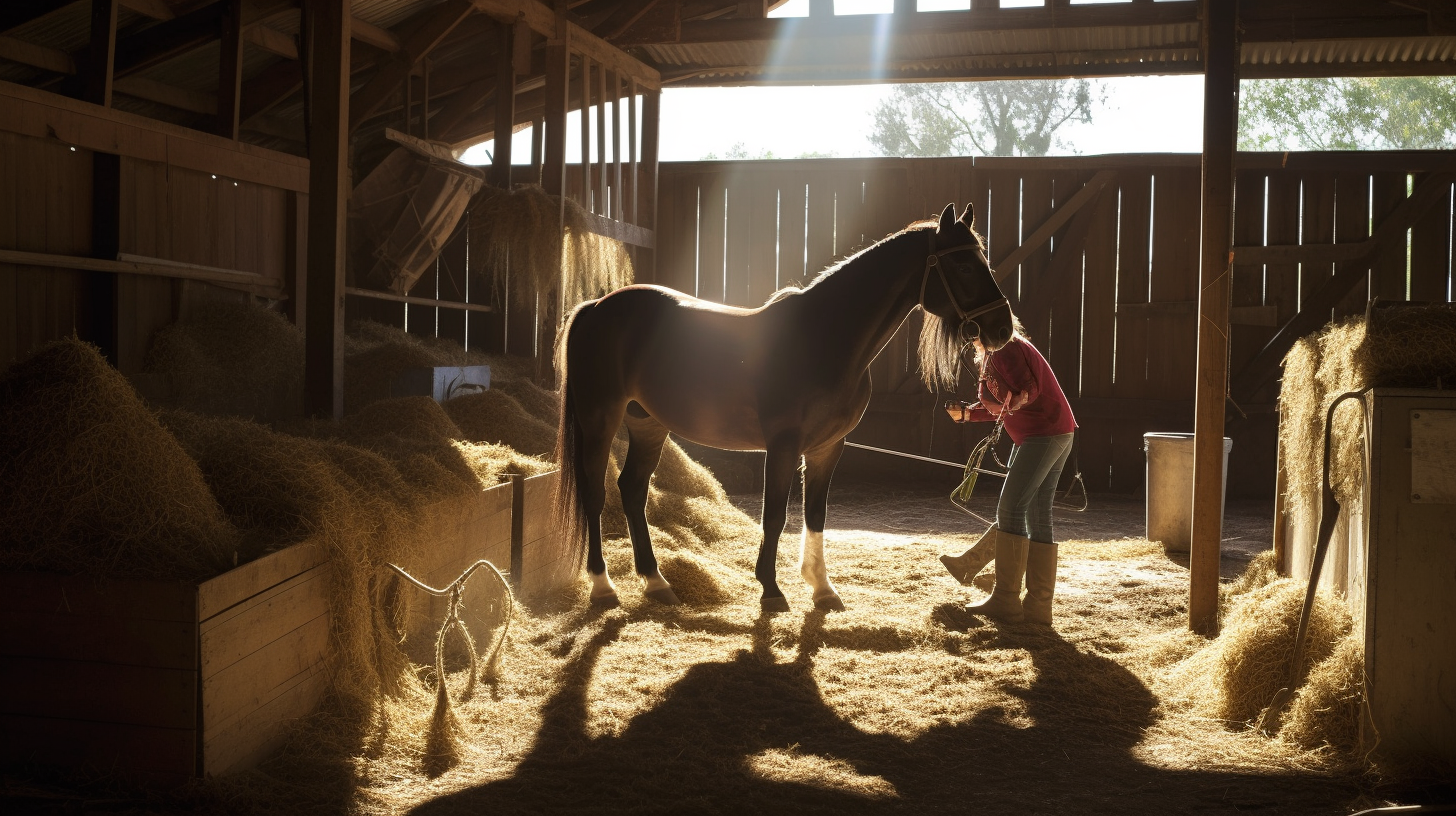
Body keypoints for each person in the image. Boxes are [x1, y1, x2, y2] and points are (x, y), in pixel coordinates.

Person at [940, 322, 1076, 625]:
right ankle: (1038, 607)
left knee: (1010, 508)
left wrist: (1016, 403)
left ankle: (1005, 600)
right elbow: (1004, 401)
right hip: (1049, 431)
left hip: (1042, 433)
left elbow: (1028, 389)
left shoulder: (1004, 348)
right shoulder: (995, 352)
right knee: (1037, 515)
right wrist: (968, 414)